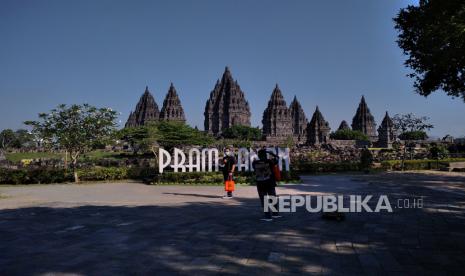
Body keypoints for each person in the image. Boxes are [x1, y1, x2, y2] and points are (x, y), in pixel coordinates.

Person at [252, 149, 281, 221]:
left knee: (263, 199)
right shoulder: (270, 162)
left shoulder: (255, 162)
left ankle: (267, 216)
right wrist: (271, 153)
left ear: (258, 155)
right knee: (272, 197)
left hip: (260, 183)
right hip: (270, 182)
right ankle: (275, 214)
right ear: (265, 155)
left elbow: (254, 170)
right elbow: (277, 158)